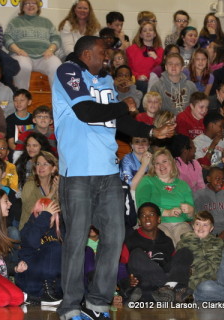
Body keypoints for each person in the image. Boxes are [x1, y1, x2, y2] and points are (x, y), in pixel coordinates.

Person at [52, 35, 175, 320]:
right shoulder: (68, 71)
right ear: (85, 53)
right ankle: (70, 306)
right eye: (100, 52)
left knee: (115, 235)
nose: (105, 57)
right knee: (76, 239)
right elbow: (85, 111)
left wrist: (151, 133)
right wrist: (125, 105)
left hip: (108, 173)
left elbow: (118, 120)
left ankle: (97, 303)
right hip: (79, 173)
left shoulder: (105, 81)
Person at [123, 202, 193, 303]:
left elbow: (174, 265)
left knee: (185, 252)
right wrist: (127, 281)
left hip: (166, 278)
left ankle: (165, 292)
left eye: (151, 214)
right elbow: (121, 266)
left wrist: (181, 271)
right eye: (143, 215)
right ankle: (173, 291)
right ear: (139, 221)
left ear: (159, 219)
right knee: (136, 254)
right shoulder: (130, 240)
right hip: (144, 280)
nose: (147, 218)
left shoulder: (166, 240)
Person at [4, 0, 62, 90]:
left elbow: (56, 38)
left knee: (56, 66)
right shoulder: (15, 22)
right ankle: (22, 97)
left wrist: (50, 50)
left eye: (33, 3)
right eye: (27, 3)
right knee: (23, 66)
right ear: (22, 7)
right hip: (22, 55)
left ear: (38, 6)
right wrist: (18, 50)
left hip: (44, 56)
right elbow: (6, 38)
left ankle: (58, 101)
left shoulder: (47, 22)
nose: (30, 6)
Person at [16, 198, 63, 305]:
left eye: (50, 214)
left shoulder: (59, 231)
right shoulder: (28, 228)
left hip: (54, 284)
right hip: (29, 277)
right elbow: (32, 242)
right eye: (41, 213)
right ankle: (46, 293)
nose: (44, 216)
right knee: (53, 246)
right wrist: (45, 215)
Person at [126, 21, 163, 95]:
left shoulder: (161, 51)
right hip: (136, 81)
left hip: (154, 82)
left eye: (150, 30)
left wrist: (156, 58)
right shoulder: (131, 49)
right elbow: (128, 68)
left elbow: (163, 68)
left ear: (155, 34)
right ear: (141, 35)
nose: (148, 32)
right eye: (144, 30)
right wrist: (137, 76)